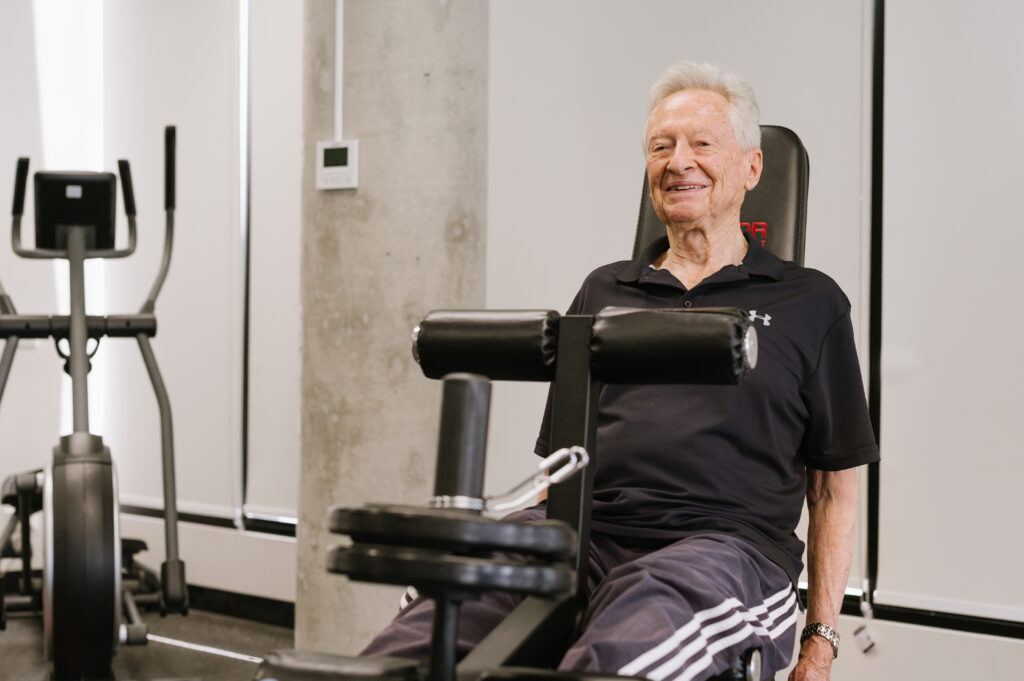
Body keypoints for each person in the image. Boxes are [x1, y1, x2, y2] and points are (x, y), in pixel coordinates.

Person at [362, 61, 879, 681]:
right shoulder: (604, 289)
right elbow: (562, 463)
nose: (677, 161)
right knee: (432, 623)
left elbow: (833, 489)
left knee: (628, 642)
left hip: (724, 549)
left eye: (702, 144)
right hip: (582, 528)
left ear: (752, 169)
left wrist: (818, 645)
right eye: (661, 147)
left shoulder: (810, 302)